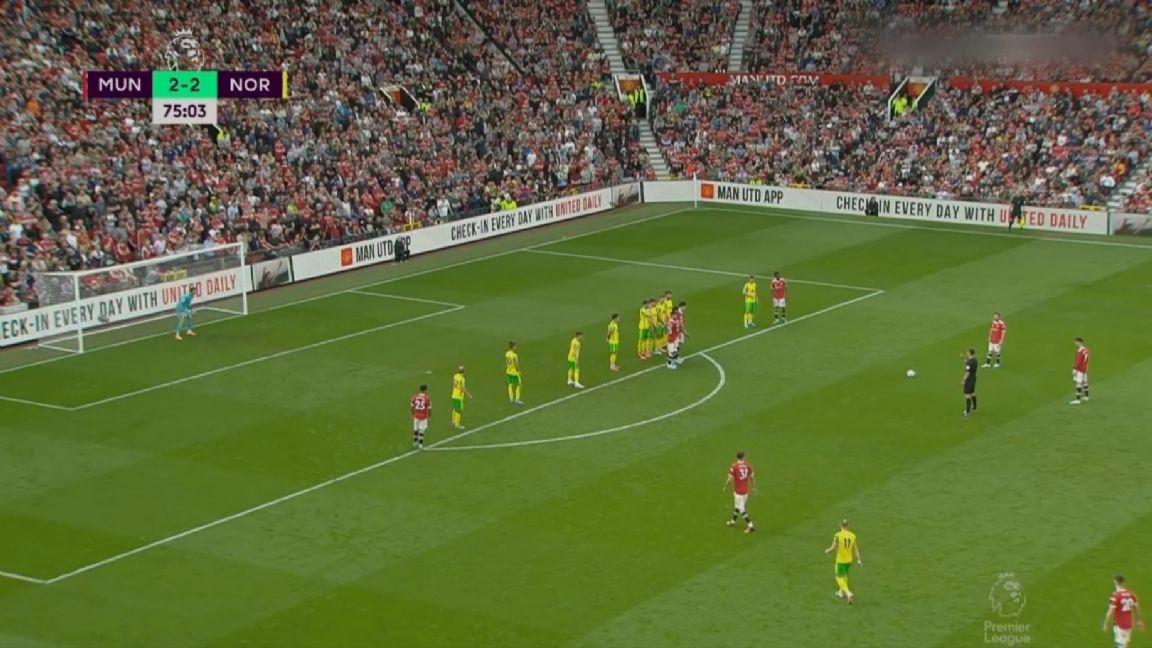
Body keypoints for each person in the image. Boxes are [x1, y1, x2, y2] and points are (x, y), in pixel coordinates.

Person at [825, 519, 862, 604]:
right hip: (849, 561)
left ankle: (848, 593)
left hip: (840, 560)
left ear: (840, 525)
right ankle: (841, 593)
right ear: (848, 526)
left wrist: (827, 551)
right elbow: (856, 549)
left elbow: (833, 547)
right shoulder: (853, 536)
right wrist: (859, 560)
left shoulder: (837, 535)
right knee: (844, 576)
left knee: (838, 577)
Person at [1104, 575, 1143, 648]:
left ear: (1115, 583)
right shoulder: (1132, 594)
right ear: (1124, 583)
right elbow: (1137, 609)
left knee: (1120, 645)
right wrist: (1139, 621)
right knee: (1125, 644)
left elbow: (1110, 611)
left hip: (1119, 625)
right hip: (1129, 624)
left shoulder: (1115, 595)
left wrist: (1106, 623)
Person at [722, 451, 756, 534]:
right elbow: (752, 477)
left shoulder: (734, 466)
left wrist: (725, 486)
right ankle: (733, 522)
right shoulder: (748, 465)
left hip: (738, 492)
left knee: (742, 509)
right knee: (737, 506)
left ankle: (751, 526)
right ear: (744, 457)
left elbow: (730, 478)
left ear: (737, 457)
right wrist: (753, 487)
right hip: (745, 491)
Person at [410, 385, 432, 449]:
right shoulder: (427, 398)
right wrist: (429, 417)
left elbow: (412, 406)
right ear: (425, 390)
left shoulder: (415, 397)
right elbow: (429, 409)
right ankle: (420, 444)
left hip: (416, 415)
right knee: (421, 430)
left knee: (416, 429)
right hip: (423, 416)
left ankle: (415, 442)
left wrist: (412, 414)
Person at [667, 302, 686, 369]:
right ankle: (669, 364)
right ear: (672, 315)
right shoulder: (670, 322)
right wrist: (672, 338)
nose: (676, 316)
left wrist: (678, 335)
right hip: (672, 338)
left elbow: (677, 329)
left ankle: (675, 359)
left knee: (676, 350)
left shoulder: (676, 320)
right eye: (675, 315)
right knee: (671, 352)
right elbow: (670, 331)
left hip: (676, 338)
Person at [1072, 337, 1090, 405]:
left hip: (1080, 369)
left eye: (1076, 342)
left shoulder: (1080, 351)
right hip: (1085, 368)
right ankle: (1086, 396)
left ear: (1079, 342)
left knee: (1078, 383)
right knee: (1085, 382)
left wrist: (1075, 369)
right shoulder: (1086, 350)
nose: (1075, 343)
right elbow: (1086, 360)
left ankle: (1077, 400)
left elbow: (1078, 361)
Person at [963, 348, 979, 416]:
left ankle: (968, 411)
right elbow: (970, 365)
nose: (966, 353)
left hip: (969, 380)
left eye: (967, 352)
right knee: (972, 393)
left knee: (967, 394)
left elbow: (967, 372)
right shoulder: (975, 360)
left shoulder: (969, 362)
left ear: (969, 353)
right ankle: (974, 407)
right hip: (973, 379)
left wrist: (963, 380)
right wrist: (966, 362)